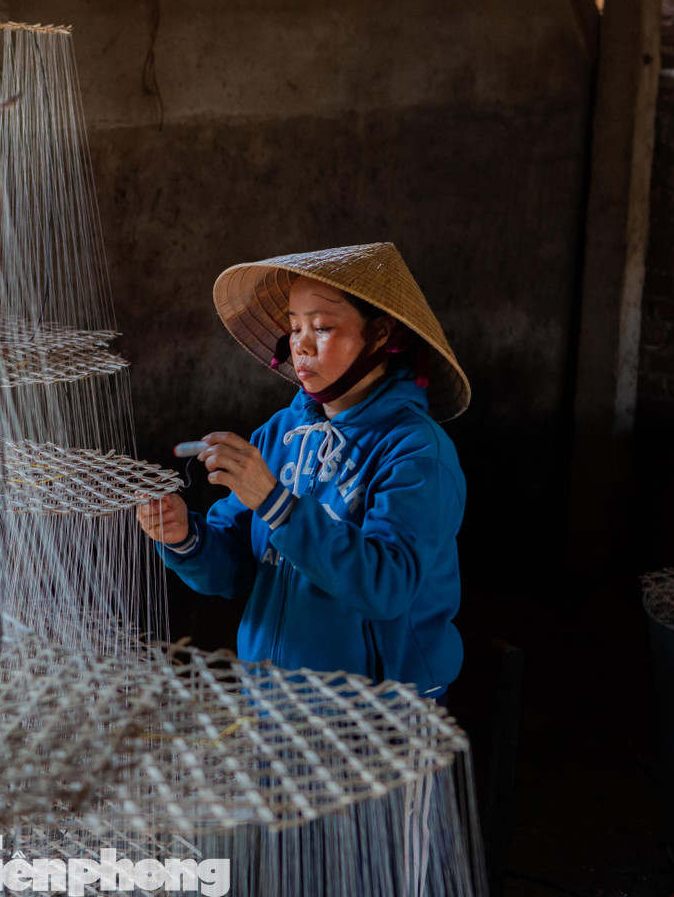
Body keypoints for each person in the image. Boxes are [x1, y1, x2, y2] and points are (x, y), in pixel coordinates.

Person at [137, 243, 470, 699]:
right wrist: (184, 537)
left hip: (376, 715)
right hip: (275, 702)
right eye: (294, 327)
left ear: (380, 334)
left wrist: (276, 503)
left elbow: (386, 587)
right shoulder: (280, 434)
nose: (301, 344)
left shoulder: (416, 452)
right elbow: (235, 566)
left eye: (323, 327)